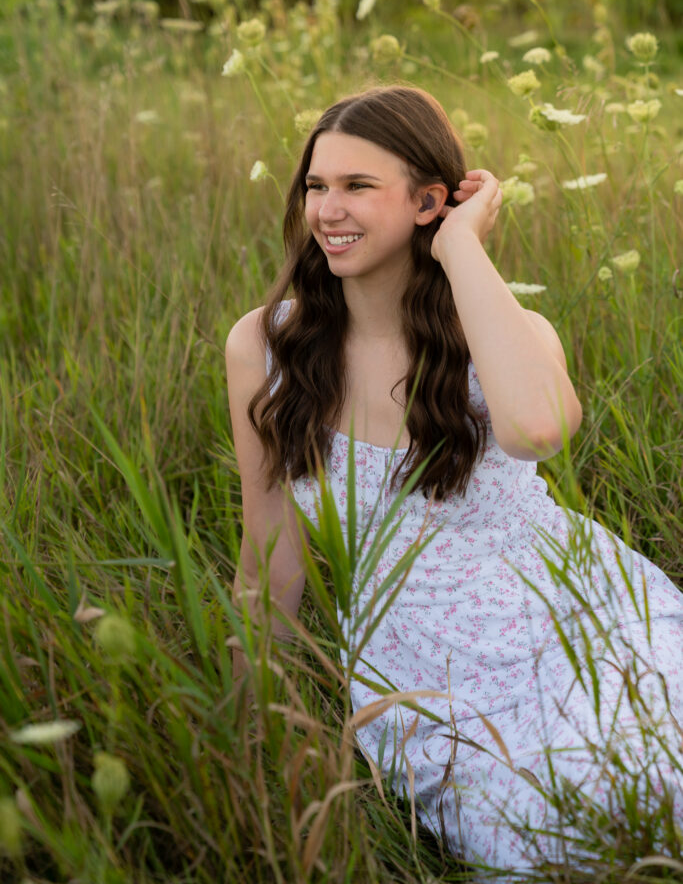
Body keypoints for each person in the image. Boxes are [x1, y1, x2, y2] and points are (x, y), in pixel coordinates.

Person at [225, 85, 683, 879]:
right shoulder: (265, 346)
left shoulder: (506, 332)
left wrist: (462, 247)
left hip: (570, 610)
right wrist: (241, 732)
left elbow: (538, 430)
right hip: (422, 655)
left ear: (428, 200)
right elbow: (270, 554)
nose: (326, 210)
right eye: (316, 186)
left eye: (357, 187)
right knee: (561, 831)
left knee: (660, 777)